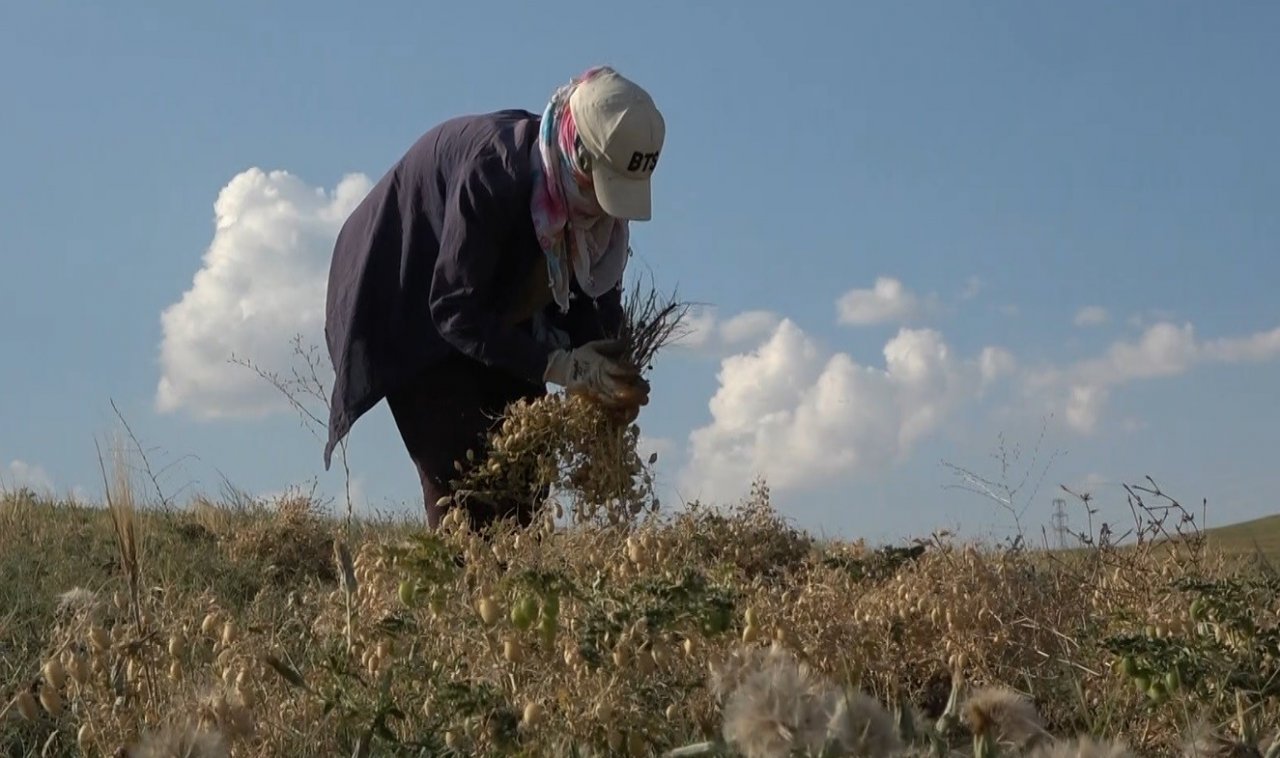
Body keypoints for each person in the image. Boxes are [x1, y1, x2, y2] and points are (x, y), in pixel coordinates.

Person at [322, 66, 664, 531]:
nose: (605, 208)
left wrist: (610, 371)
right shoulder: (494, 171)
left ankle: (511, 576)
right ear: (579, 153)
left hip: (492, 304)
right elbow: (453, 309)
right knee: (461, 472)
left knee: (527, 471)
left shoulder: (592, 216)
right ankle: (455, 574)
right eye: (603, 189)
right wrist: (559, 365)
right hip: (406, 295)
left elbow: (592, 303)